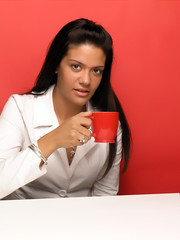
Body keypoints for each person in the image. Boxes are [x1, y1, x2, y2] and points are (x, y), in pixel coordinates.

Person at [0, 18, 131, 199]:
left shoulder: (108, 122)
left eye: (96, 70)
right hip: (26, 223)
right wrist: (51, 141)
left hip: (83, 224)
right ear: (56, 65)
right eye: (76, 66)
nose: (86, 80)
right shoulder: (20, 108)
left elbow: (105, 194)